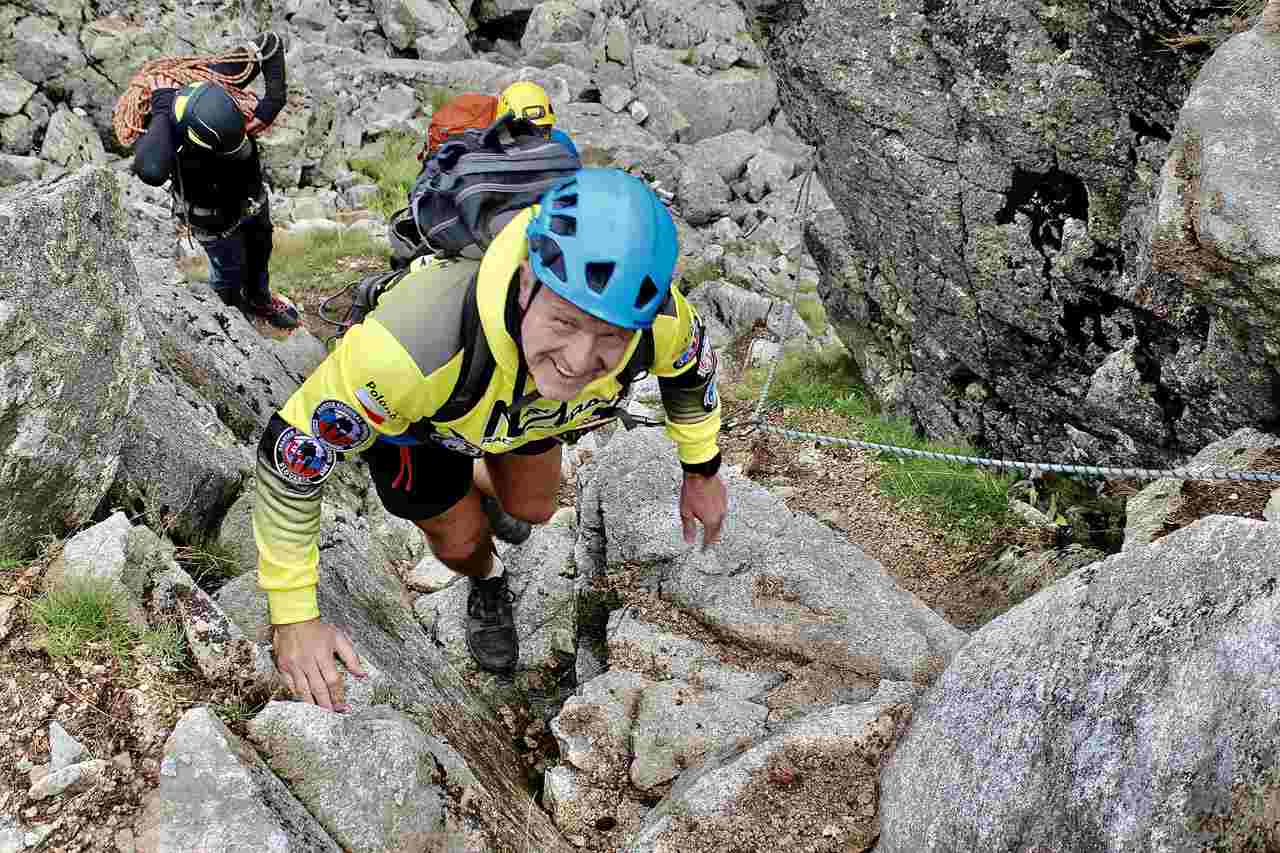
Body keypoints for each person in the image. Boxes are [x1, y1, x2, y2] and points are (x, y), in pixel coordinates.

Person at [254, 168, 727, 710]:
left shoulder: (657, 321)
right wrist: (293, 615)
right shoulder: (407, 352)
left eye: (611, 340)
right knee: (460, 543)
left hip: (526, 412)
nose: (578, 362)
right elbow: (290, 457)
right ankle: (488, 578)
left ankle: (482, 490)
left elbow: (692, 371)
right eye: (566, 323)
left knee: (535, 508)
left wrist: (702, 470)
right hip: (423, 430)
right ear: (525, 283)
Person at [132, 32, 300, 329]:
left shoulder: (218, 81)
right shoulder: (166, 127)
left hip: (251, 200)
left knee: (260, 253)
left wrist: (273, 100)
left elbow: (268, 43)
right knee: (227, 273)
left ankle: (260, 300)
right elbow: (150, 170)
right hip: (213, 221)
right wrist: (161, 105)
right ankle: (232, 318)